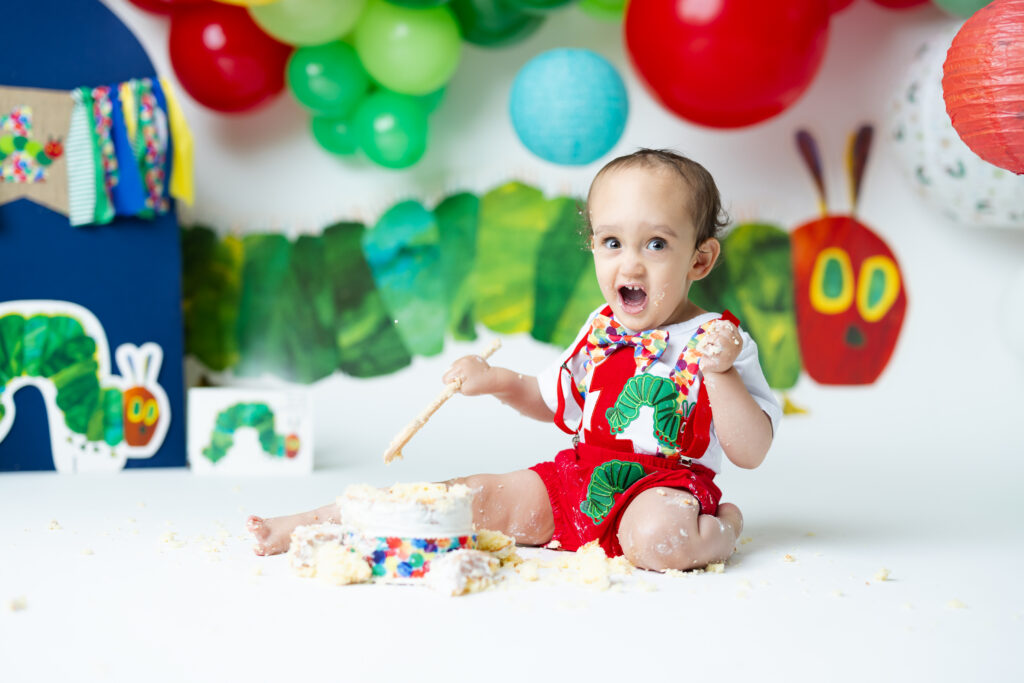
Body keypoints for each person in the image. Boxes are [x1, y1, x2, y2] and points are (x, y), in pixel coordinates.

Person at [248, 149, 781, 572]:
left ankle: (723, 528)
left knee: (659, 541)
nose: (630, 263)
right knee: (468, 498)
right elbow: (550, 400)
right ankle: (316, 522)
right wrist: (495, 381)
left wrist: (722, 373)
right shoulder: (601, 330)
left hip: (663, 491)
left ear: (700, 259)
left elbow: (751, 450)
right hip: (582, 479)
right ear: (593, 245)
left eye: (657, 244)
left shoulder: (718, 341)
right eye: (613, 241)